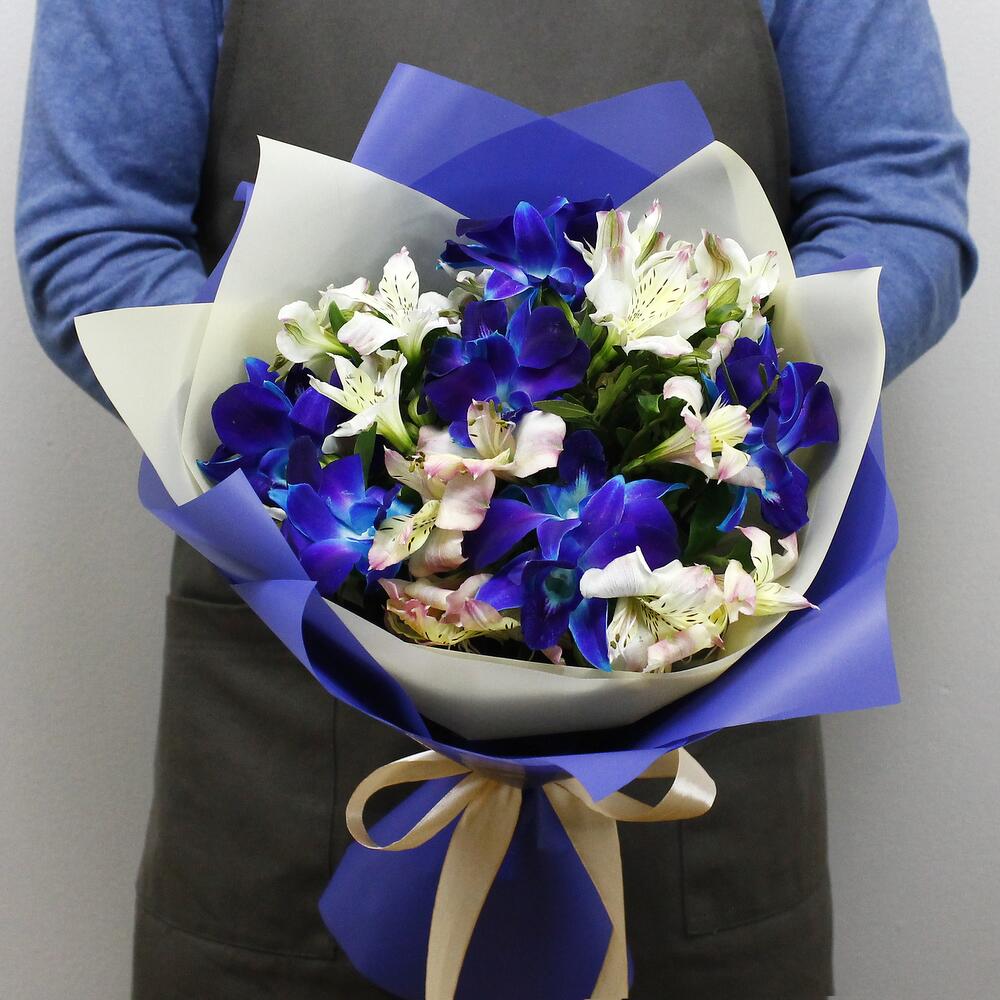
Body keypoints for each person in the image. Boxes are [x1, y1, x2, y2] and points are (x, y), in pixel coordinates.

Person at [16, 2, 976, 998]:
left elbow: (898, 207)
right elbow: (94, 237)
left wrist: (710, 384)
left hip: (690, 675)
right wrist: (343, 440)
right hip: (296, 720)